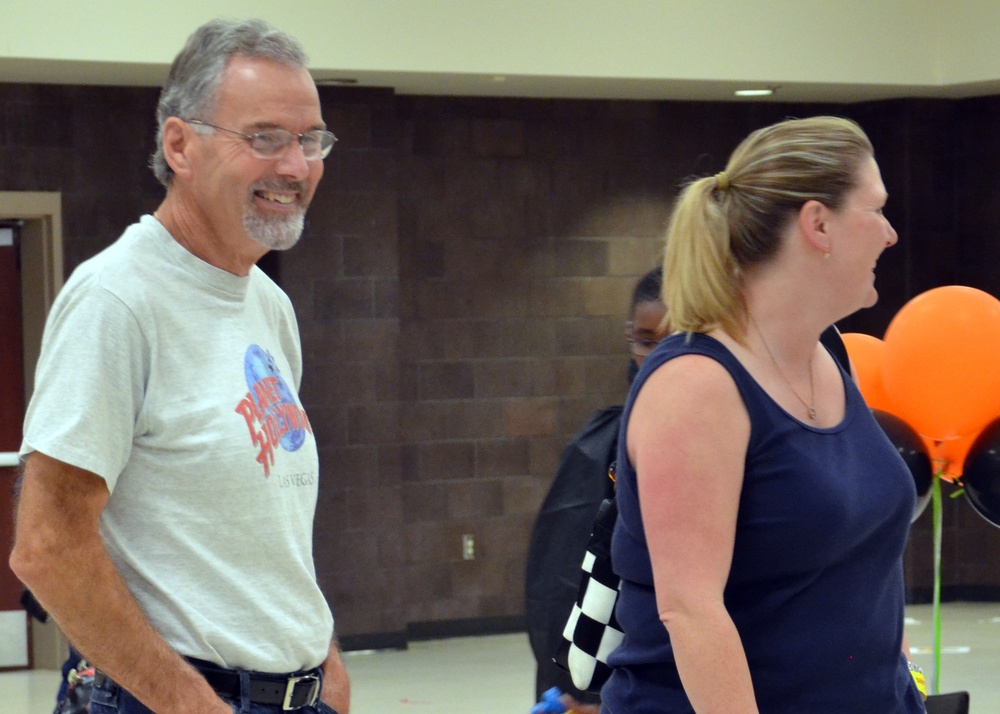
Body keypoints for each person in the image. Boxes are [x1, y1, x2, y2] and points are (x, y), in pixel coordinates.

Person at [9, 18, 348, 714]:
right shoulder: (118, 300)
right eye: (265, 138)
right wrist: (187, 702)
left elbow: (263, 524)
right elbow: (46, 545)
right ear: (180, 145)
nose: (295, 166)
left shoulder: (269, 306)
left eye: (310, 141)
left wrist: (325, 660)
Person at [601, 116, 926, 712]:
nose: (889, 234)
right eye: (876, 210)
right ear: (818, 224)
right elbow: (690, 611)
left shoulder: (828, 352)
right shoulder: (696, 385)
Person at [525, 268, 667, 714]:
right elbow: (561, 582)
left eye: (675, 342)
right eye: (645, 341)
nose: (658, 359)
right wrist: (574, 688)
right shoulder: (603, 443)